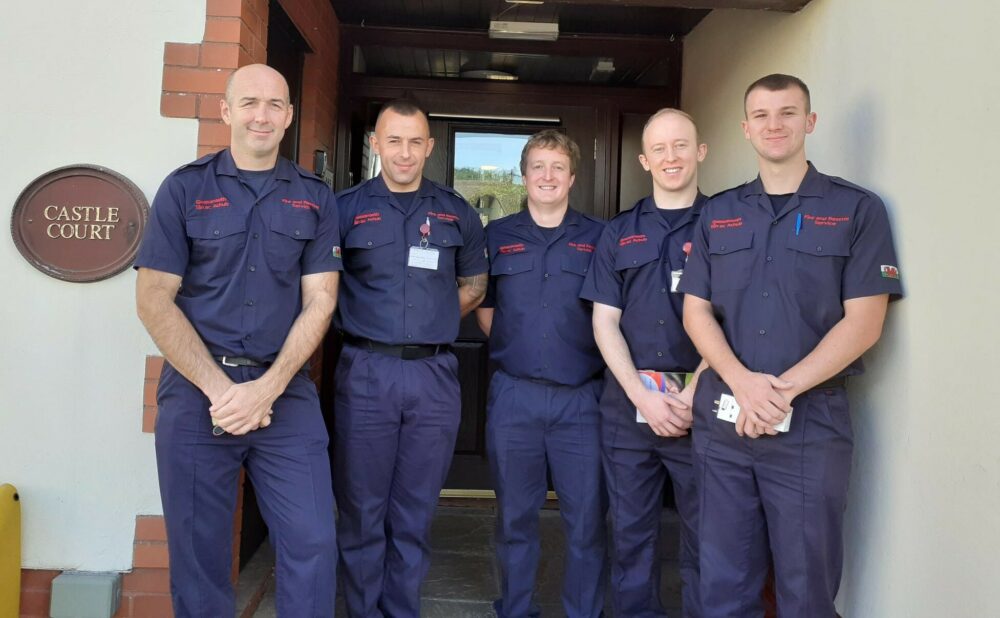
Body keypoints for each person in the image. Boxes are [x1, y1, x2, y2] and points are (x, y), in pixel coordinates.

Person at [679, 74, 904, 617]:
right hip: (725, 425)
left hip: (809, 425)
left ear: (810, 121)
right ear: (745, 128)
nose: (774, 124)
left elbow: (865, 322)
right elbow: (695, 310)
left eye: (787, 113)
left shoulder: (857, 209)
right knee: (723, 585)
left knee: (806, 589)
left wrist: (777, 393)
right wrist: (742, 384)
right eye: (761, 115)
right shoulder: (718, 213)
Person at [134, 64, 341, 617]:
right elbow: (153, 298)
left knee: (314, 541)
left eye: (275, 105)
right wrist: (221, 391)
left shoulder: (315, 198)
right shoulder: (184, 188)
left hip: (285, 393)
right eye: (249, 102)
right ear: (226, 111)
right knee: (198, 557)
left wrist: (265, 390)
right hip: (196, 394)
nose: (261, 116)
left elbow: (321, 299)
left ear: (290, 116)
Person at [333, 100, 489, 617]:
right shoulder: (344, 209)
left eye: (415, 141)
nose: (404, 152)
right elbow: (320, 288)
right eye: (394, 140)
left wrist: (432, 318)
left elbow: (474, 285)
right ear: (375, 144)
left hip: (433, 375)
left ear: (430, 146)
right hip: (366, 371)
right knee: (362, 508)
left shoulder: (456, 212)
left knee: (415, 509)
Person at [580, 108, 708, 617]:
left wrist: (693, 394)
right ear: (644, 160)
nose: (670, 157)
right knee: (631, 537)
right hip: (628, 412)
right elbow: (604, 322)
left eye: (681, 146)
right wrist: (642, 397)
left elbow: (738, 320)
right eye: (659, 149)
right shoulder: (619, 232)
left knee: (709, 538)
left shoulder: (726, 224)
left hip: (702, 409)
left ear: (700, 152)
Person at [476, 130, 607, 618]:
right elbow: (485, 307)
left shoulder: (600, 237)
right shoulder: (497, 236)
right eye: (538, 166)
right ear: (523, 175)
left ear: (572, 177)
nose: (547, 176)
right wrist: (522, 347)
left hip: (582, 400)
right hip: (515, 397)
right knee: (514, 517)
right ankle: (515, 609)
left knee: (587, 520)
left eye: (558, 167)